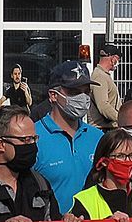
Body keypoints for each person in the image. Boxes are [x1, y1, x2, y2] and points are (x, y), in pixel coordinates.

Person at [33, 61, 103, 213]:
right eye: (74, 92)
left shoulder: (98, 137)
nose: (83, 98)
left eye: (86, 92)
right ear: (53, 95)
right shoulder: (33, 138)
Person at [87, 44, 122, 130]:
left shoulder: (103, 75)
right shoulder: (100, 77)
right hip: (102, 129)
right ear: (113, 59)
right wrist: (121, 118)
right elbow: (103, 105)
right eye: (118, 59)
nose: (118, 63)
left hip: (106, 128)